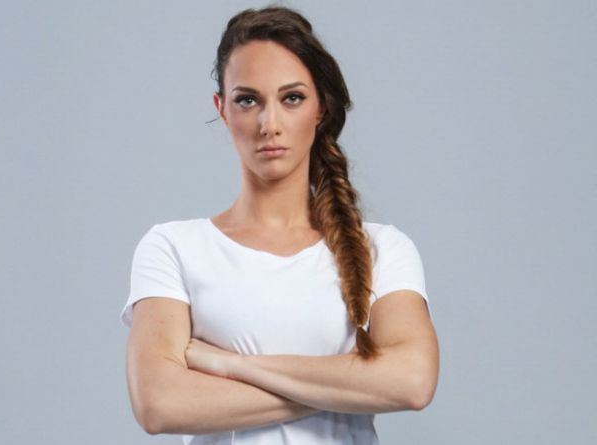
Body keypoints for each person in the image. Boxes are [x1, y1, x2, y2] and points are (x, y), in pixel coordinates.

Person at [120, 5, 439, 444]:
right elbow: (159, 404)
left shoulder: (383, 249)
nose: (269, 125)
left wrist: (234, 365)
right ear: (222, 109)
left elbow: (412, 381)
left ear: (320, 107)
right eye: (247, 100)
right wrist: (352, 386)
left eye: (292, 98)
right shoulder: (173, 247)